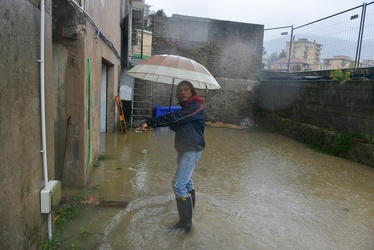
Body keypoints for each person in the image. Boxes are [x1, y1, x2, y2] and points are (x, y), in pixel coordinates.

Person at [136, 80, 205, 232]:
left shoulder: (196, 106)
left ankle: (185, 225)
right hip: (184, 148)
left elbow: (178, 119)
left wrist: (150, 122)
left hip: (192, 149)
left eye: (186, 89)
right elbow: (177, 124)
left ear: (192, 92)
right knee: (187, 183)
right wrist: (172, 120)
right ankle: (190, 214)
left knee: (178, 184)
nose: (182, 92)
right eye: (180, 90)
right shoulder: (185, 108)